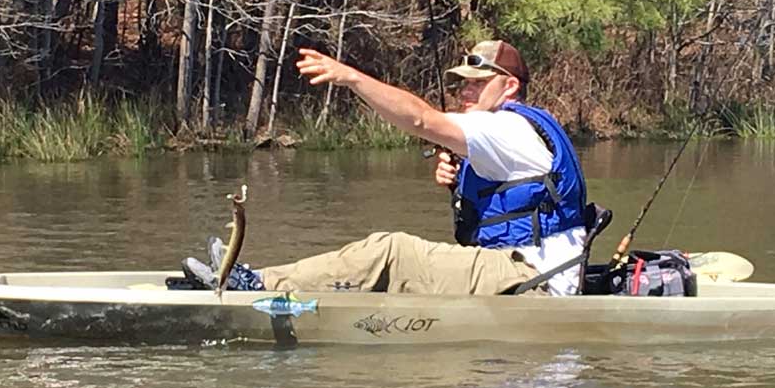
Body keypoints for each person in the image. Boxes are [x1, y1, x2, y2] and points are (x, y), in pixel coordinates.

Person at [180, 40, 588, 296]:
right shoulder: (517, 128)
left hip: (536, 281)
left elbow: (422, 121)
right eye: (463, 82)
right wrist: (462, 181)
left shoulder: (507, 124)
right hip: (522, 269)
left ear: (510, 87)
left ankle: (259, 285)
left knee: (391, 251)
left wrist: (353, 78)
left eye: (477, 83)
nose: (465, 90)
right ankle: (261, 278)